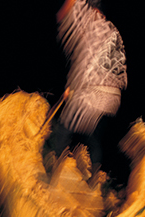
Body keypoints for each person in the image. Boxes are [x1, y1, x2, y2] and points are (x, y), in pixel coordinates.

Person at [53, 0, 127, 166]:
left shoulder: (91, 22)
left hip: (91, 92)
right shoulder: (114, 32)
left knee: (64, 129)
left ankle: (55, 166)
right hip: (111, 98)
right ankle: (95, 174)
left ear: (93, 11)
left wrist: (70, 87)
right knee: (94, 137)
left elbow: (63, 14)